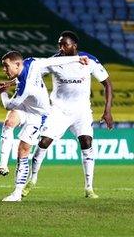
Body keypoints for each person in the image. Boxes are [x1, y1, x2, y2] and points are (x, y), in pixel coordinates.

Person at [23, 31, 113, 199]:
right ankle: (32, 179)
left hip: (82, 111)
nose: (61, 48)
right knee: (43, 142)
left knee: (87, 142)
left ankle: (89, 188)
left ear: (74, 46)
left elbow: (107, 84)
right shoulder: (54, 61)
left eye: (65, 44)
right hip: (58, 110)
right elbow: (31, 75)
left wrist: (107, 111)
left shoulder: (89, 60)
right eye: (59, 44)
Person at [0, 50, 89, 202]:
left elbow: (8, 105)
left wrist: (3, 92)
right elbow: (52, 61)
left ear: (18, 64)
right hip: (25, 107)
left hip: (38, 116)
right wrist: (77, 58)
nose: (4, 69)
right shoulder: (32, 62)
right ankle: (3, 164)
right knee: (9, 122)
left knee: (23, 151)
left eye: (6, 66)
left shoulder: (25, 87)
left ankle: (17, 193)